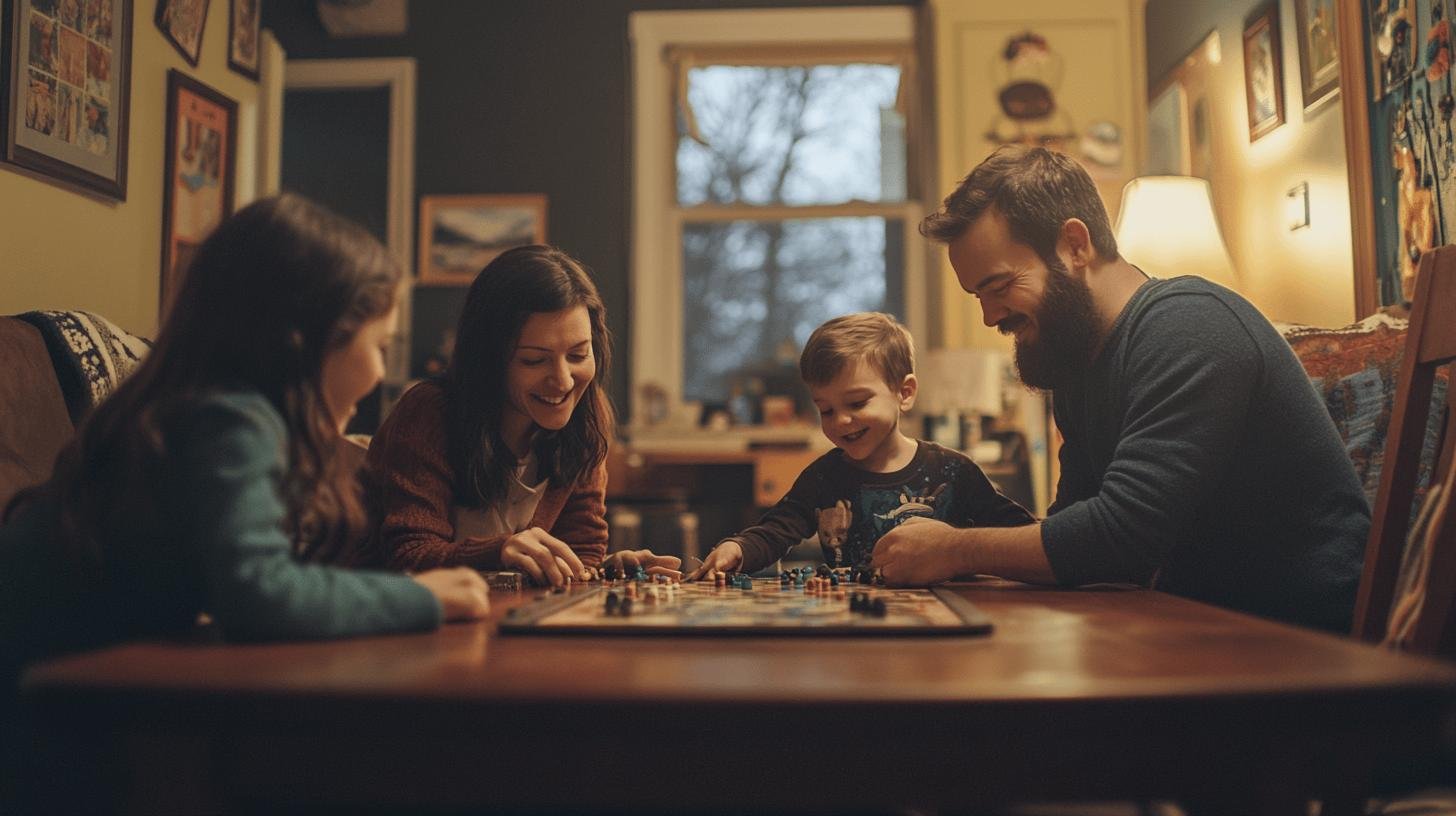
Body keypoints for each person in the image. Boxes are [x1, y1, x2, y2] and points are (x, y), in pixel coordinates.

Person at [0, 194, 491, 685]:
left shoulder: (204, 407)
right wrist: (426, 597)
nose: (382, 370)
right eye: (380, 346)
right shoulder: (230, 420)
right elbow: (260, 592)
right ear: (310, 339)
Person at [875, 145, 1368, 632]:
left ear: (1073, 244)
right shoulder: (1077, 359)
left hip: (1301, 639)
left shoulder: (1189, 324)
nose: (989, 316)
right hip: (1197, 625)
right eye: (978, 295)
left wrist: (953, 549)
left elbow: (1119, 537)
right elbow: (1074, 532)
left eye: (1000, 286)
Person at [368, 245, 679, 586]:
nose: (562, 380)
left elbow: (580, 552)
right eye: (534, 360)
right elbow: (408, 558)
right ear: (489, 359)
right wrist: (499, 551)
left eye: (578, 354)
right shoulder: (429, 412)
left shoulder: (587, 416)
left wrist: (605, 570)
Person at [687, 312, 1034, 579]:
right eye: (826, 410)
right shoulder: (824, 477)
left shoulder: (954, 470)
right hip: (857, 622)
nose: (840, 421)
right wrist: (737, 547)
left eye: (856, 404)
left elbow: (1021, 535)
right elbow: (777, 529)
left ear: (905, 392)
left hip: (947, 621)